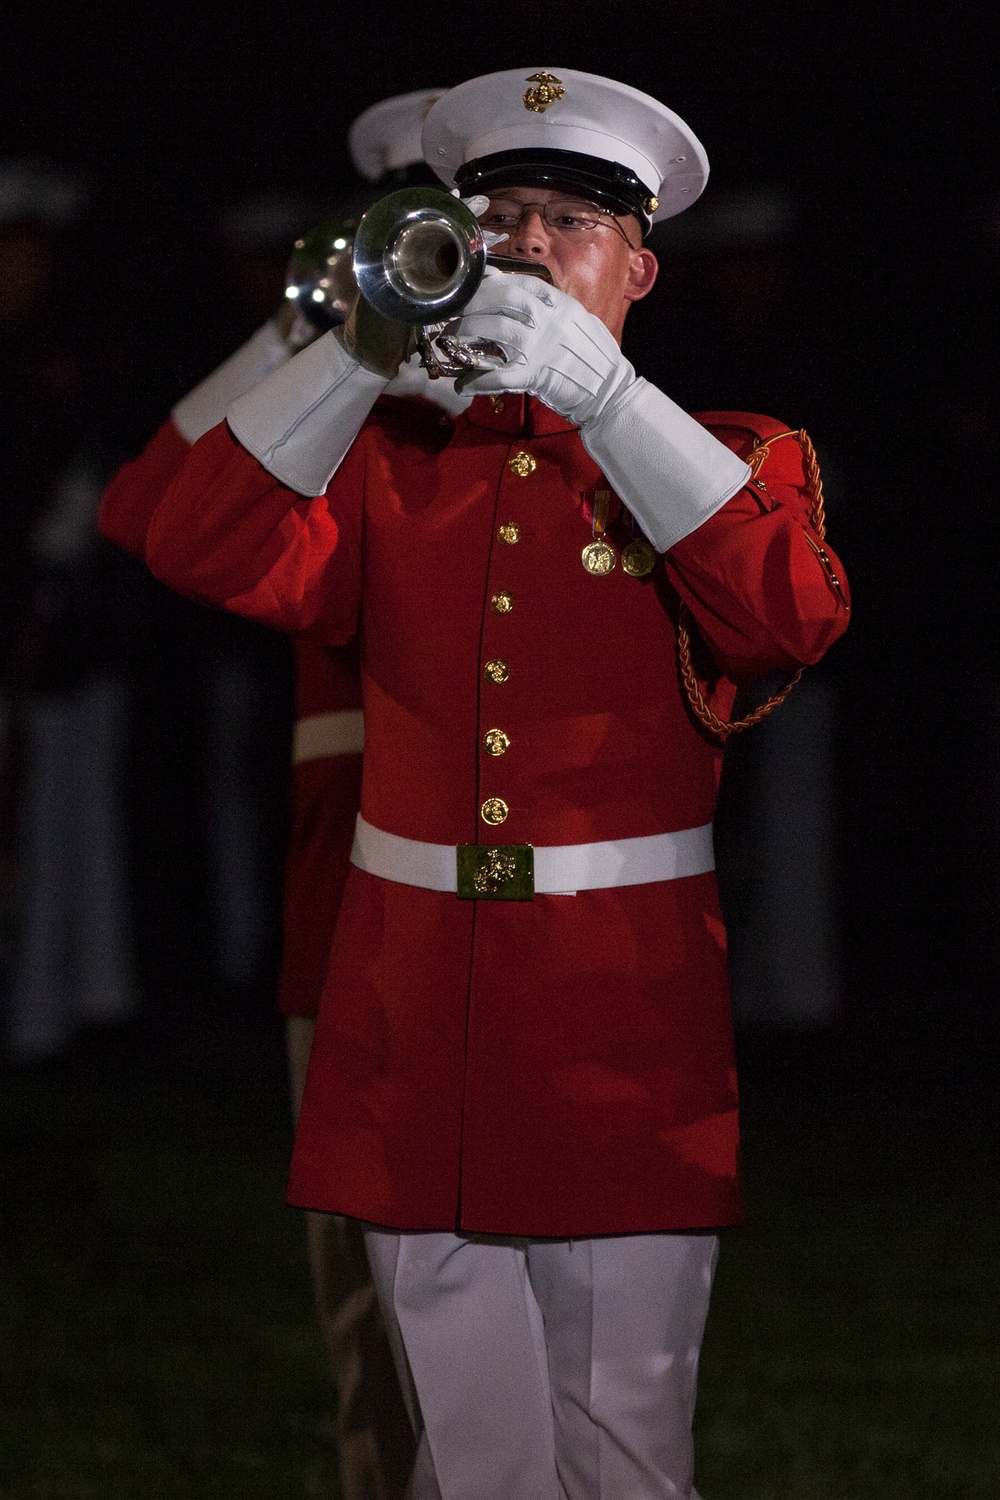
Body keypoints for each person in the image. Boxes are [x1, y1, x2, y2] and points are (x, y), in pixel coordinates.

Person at [140, 66, 850, 1500]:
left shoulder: (721, 459)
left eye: (568, 223)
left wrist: (600, 392)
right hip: (413, 1019)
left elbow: (789, 612)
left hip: (615, 1017)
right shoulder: (396, 465)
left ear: (639, 267)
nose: (525, 245)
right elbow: (189, 539)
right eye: (500, 214)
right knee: (465, 1464)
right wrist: (353, 354)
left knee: (622, 1452)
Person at [100, 90, 465, 1500]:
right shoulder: (342, 408)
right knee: (371, 1305)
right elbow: (148, 513)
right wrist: (319, 323)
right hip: (353, 887)